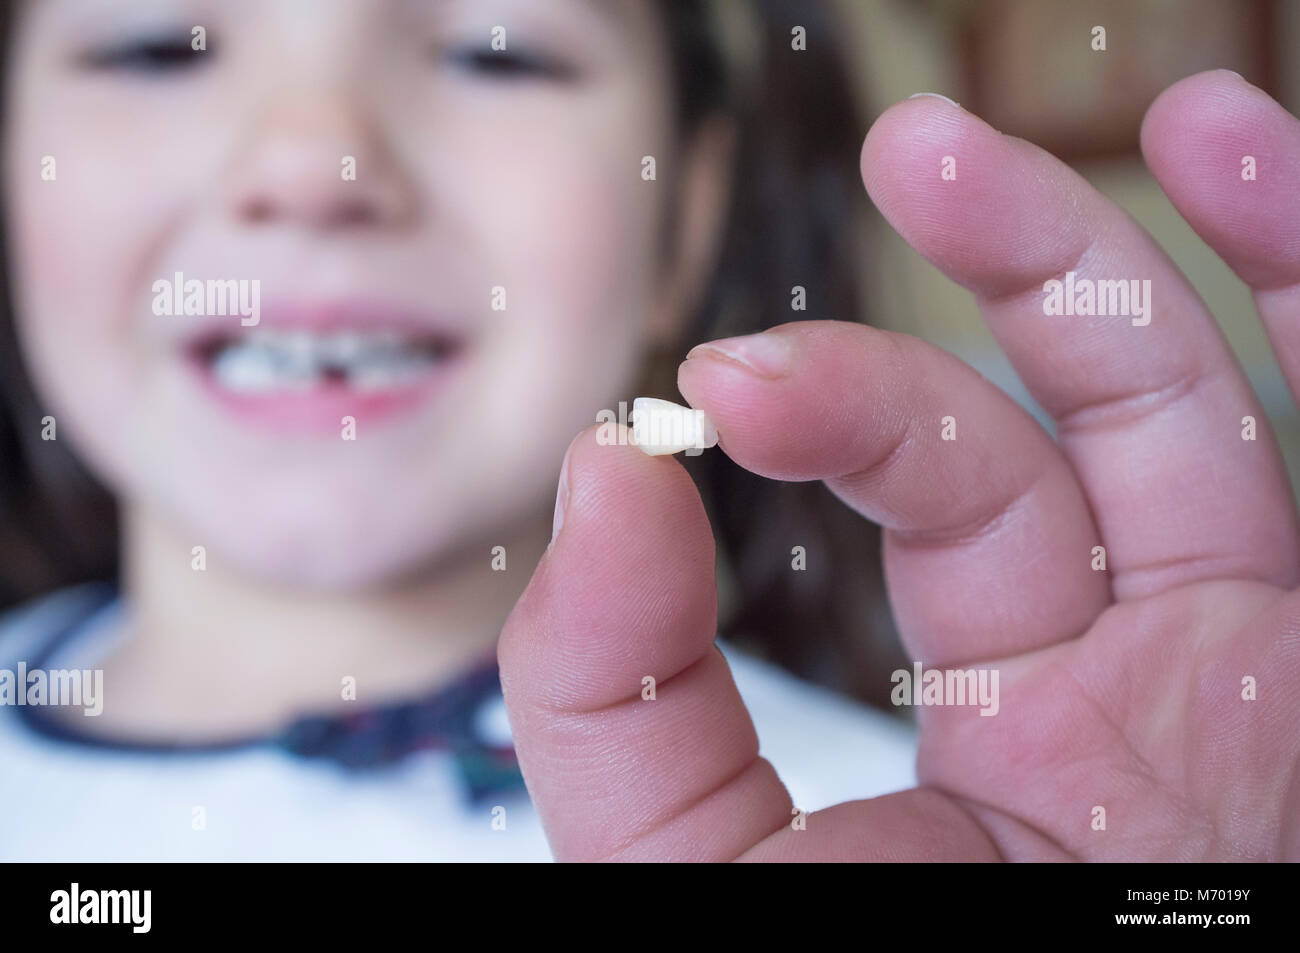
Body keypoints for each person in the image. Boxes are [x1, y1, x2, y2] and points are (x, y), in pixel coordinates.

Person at [0, 0, 913, 861]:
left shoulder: (870, 824)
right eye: (153, 46)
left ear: (685, 219)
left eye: (496, 51)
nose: (315, 165)